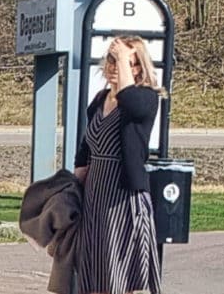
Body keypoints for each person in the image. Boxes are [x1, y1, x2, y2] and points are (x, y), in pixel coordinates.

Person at [73, 35, 165, 294]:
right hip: (95, 195)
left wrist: (124, 58)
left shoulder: (146, 98)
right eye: (113, 60)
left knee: (118, 274)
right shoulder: (100, 100)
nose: (117, 67)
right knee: (94, 271)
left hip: (123, 196)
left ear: (139, 68)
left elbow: (132, 104)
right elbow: (86, 147)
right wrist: (74, 183)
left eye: (128, 63)